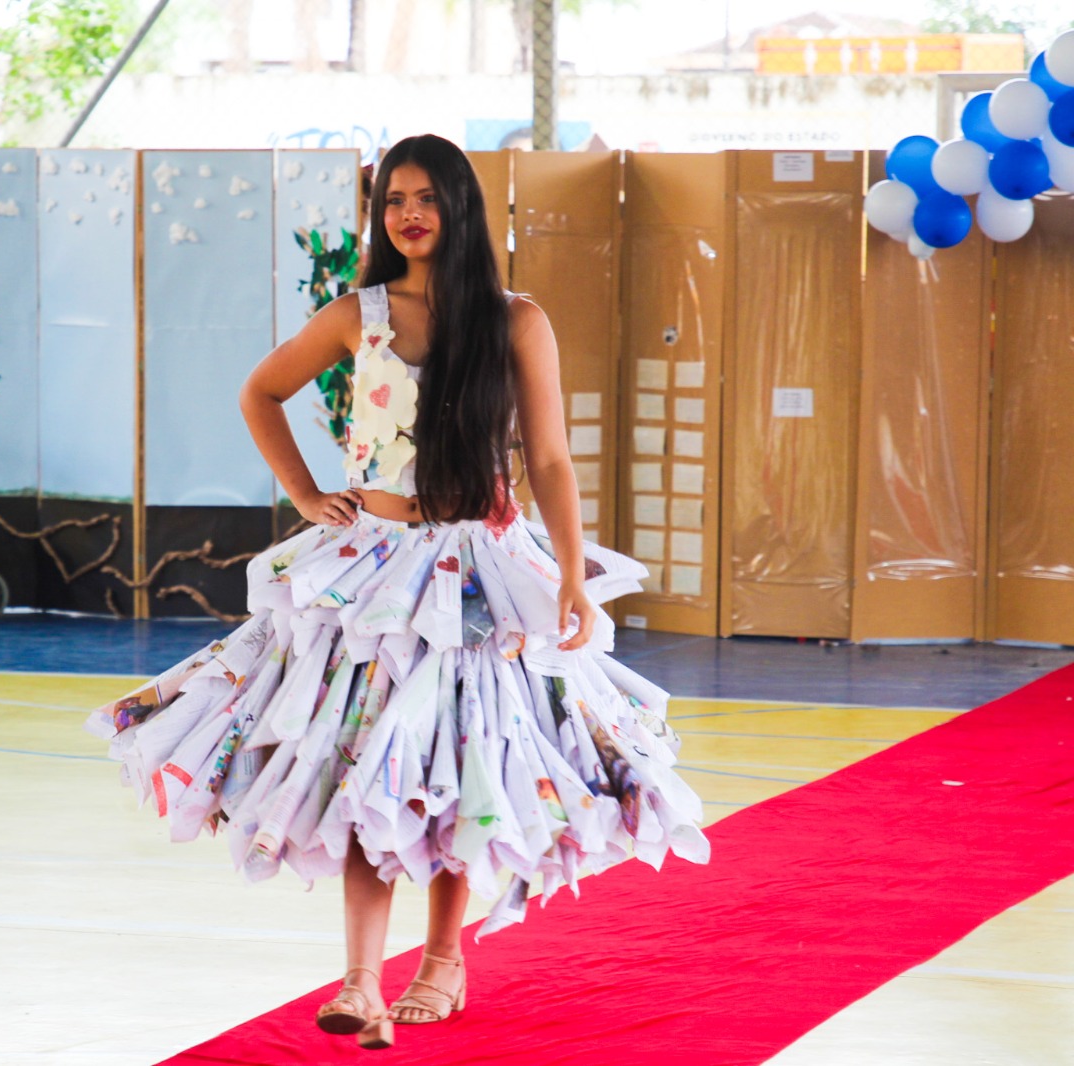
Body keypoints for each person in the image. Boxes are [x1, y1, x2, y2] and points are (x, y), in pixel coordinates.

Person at [83, 135, 710, 1052]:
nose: (408, 214)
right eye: (392, 201)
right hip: (372, 573)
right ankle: (361, 981)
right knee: (360, 760)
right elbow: (262, 392)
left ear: (461, 206)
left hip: (479, 572)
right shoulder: (359, 313)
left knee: (460, 767)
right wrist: (305, 495)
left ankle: (442, 960)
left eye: (425, 197)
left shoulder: (515, 320)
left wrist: (573, 573)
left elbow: (548, 459)